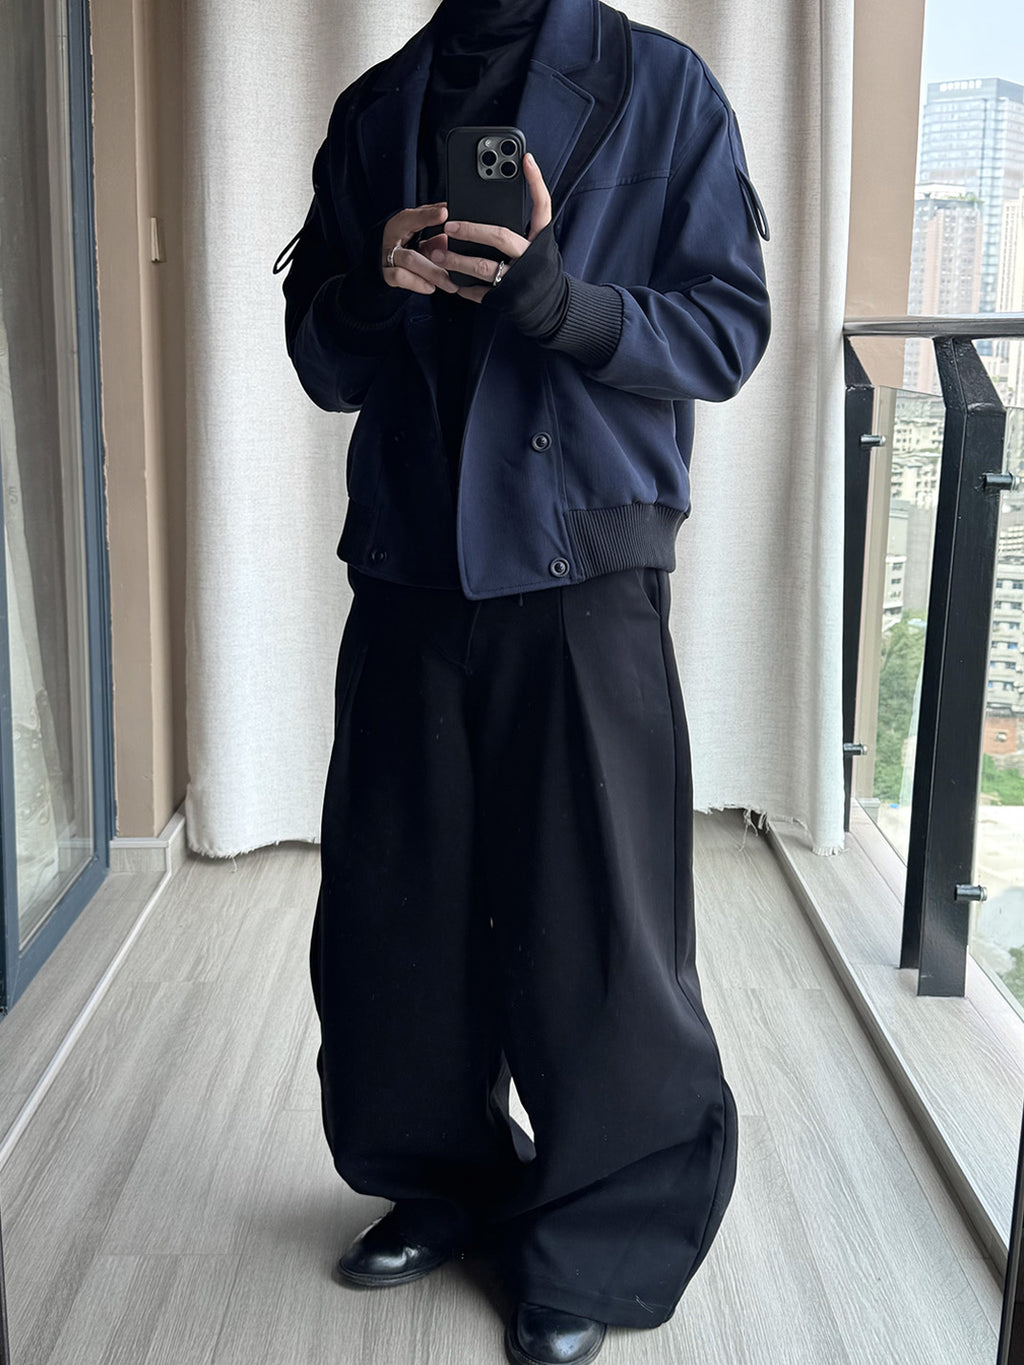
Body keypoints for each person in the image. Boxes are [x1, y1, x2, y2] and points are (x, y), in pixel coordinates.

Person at [276, 0, 771, 1360]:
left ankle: (600, 1238)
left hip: (581, 570)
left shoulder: (663, 87)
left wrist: (562, 302)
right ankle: (442, 1179)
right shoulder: (380, 106)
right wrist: (375, 287)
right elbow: (319, 353)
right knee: (398, 910)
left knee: (596, 922)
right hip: (409, 569)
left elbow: (727, 329)